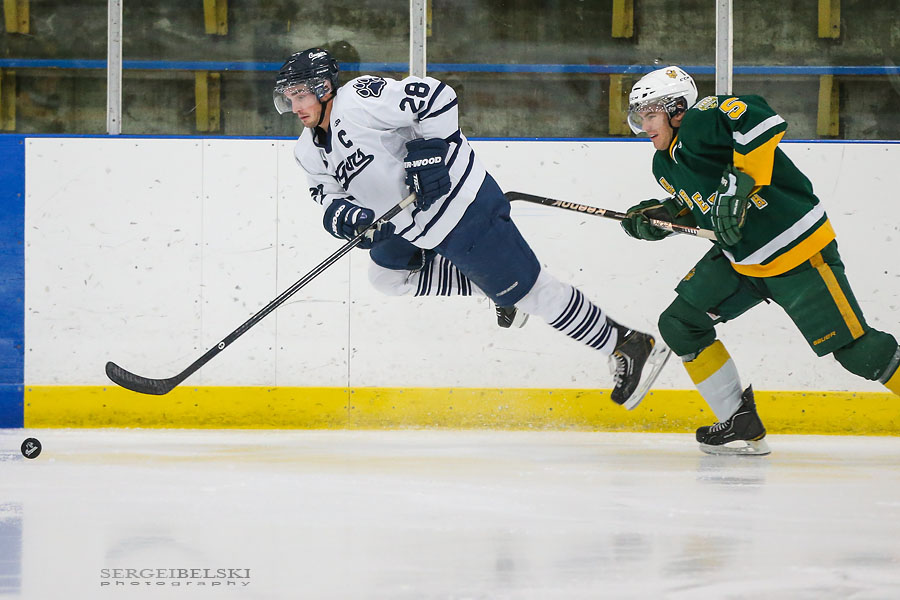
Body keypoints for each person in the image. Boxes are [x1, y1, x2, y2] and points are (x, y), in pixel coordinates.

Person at [273, 48, 671, 408]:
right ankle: (493, 289)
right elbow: (324, 195)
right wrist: (344, 216)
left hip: (460, 206)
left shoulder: (359, 98)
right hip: (411, 226)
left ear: (324, 87)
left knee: (531, 292)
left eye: (300, 95)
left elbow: (436, 97)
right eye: (288, 98)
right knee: (385, 275)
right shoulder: (306, 150)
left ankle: (624, 343)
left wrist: (432, 153)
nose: (294, 106)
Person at [621, 66, 900, 454]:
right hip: (742, 263)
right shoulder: (664, 165)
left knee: (860, 353)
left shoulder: (703, 119)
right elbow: (701, 205)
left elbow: (760, 117)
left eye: (650, 114)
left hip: (797, 254)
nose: (644, 125)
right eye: (639, 117)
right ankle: (739, 420)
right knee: (681, 324)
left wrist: (740, 180)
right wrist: (662, 219)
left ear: (677, 109)